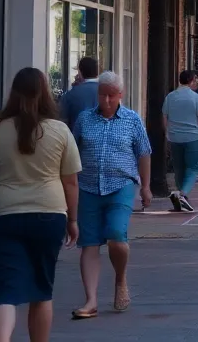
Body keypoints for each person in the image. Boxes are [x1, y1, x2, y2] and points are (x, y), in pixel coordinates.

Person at [0, 68, 81, 342]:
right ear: (45, 93)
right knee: (42, 290)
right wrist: (73, 220)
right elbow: (71, 182)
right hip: (48, 214)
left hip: (3, 214)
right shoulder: (59, 130)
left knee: (4, 291)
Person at [71, 72, 152, 319]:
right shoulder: (85, 119)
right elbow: (72, 152)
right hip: (87, 187)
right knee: (89, 243)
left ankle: (120, 278)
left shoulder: (132, 120)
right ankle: (91, 300)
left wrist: (146, 186)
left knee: (117, 235)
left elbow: (144, 152)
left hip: (121, 185)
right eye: (102, 95)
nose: (106, 100)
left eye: (111, 95)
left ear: (120, 95)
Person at [163, 70, 198, 213]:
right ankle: (182, 194)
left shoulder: (170, 97)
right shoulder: (196, 98)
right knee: (193, 168)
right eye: (195, 79)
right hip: (193, 136)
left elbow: (164, 116)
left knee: (179, 168)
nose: (197, 82)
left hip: (175, 137)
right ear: (191, 80)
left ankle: (180, 198)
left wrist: (167, 133)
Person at [59, 57, 100, 130]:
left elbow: (61, 121)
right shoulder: (108, 91)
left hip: (76, 135)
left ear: (80, 72)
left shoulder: (70, 94)